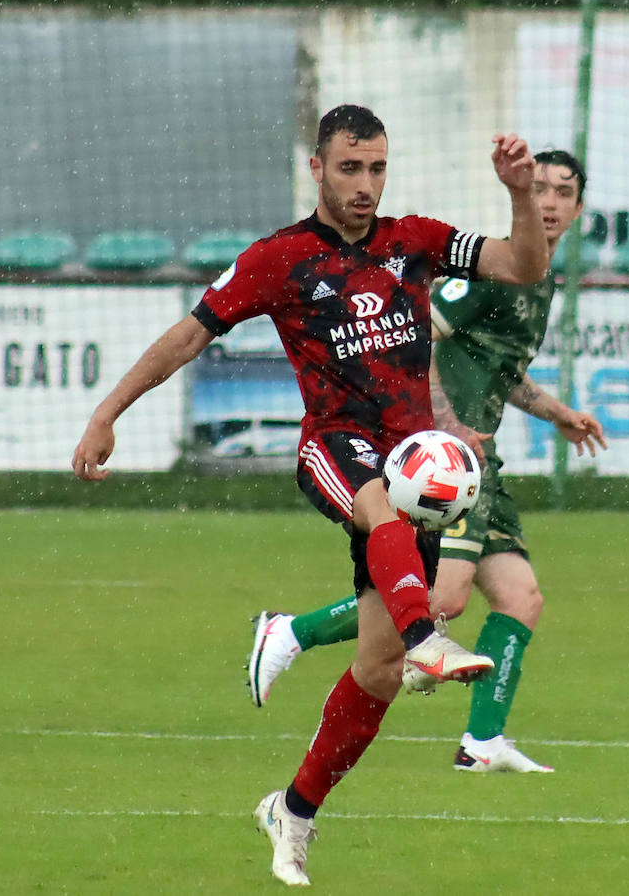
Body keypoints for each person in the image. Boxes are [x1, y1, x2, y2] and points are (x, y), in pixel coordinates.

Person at [71, 104, 550, 887]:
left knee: (377, 671)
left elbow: (523, 266)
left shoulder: (415, 241)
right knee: (382, 516)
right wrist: (107, 412)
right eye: (351, 168)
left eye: (378, 169)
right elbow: (188, 335)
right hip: (335, 447)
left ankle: (292, 809)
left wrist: (521, 194)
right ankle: (427, 635)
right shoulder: (281, 259)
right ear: (318, 167)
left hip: (408, 461)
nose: (366, 185)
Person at [246, 149, 607, 776]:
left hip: (479, 470)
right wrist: (443, 427)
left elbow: (502, 372)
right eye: (539, 188)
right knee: (439, 599)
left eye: (562, 192)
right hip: (442, 468)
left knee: (521, 597)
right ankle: (291, 632)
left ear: (578, 207)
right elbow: (418, 336)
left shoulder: (539, 277)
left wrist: (554, 412)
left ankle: (483, 742)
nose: (548, 201)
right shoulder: (487, 273)